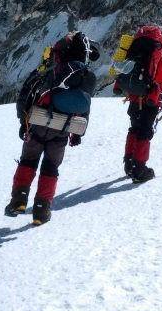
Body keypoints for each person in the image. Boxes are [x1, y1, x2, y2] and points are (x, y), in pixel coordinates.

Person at [8, 31, 100, 225]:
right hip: (63, 129)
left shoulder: (54, 70)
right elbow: (84, 106)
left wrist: (22, 122)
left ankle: (19, 200)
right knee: (51, 168)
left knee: (28, 161)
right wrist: (77, 133)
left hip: (39, 124)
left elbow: (28, 94)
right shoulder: (85, 75)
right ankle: (42, 210)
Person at [114, 25, 162, 183]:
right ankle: (139, 169)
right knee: (145, 132)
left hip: (134, 99)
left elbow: (122, 72)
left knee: (134, 129)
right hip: (151, 102)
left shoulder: (134, 56)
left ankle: (129, 163)